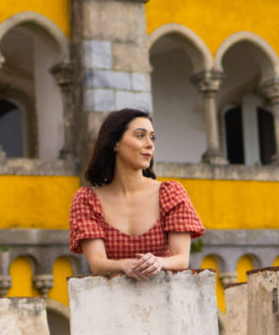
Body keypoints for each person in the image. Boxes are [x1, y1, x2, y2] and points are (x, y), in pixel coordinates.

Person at [69, 108, 203, 278]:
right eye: (140, 135)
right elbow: (97, 263)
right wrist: (124, 265)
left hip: (167, 297)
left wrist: (158, 262)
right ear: (115, 142)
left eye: (152, 137)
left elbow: (182, 259)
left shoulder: (170, 194)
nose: (150, 144)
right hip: (113, 300)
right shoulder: (87, 200)